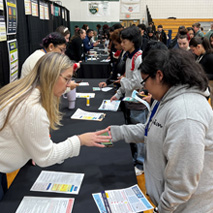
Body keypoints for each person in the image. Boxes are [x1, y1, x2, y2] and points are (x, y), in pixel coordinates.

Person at [107, 49, 213, 212]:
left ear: (159, 75)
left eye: (145, 81)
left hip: (186, 208)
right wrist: (116, 132)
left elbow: (182, 181)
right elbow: (152, 130)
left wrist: (163, 209)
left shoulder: (185, 113)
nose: (145, 88)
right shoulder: (165, 97)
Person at [0, 53, 110, 200]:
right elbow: (45, 157)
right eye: (66, 79)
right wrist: (80, 140)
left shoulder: (26, 91)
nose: (68, 84)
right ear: (51, 74)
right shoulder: (33, 109)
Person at [110, 25, 142, 101]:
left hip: (135, 101)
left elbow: (136, 84)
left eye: (124, 42)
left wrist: (122, 80)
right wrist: (118, 94)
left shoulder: (138, 58)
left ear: (133, 42)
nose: (122, 44)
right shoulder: (129, 56)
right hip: (128, 99)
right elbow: (127, 78)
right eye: (121, 42)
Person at [189, 37, 213, 106]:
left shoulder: (210, 57)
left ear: (199, 47)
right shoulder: (200, 56)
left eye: (193, 50)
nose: (193, 52)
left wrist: (202, 75)